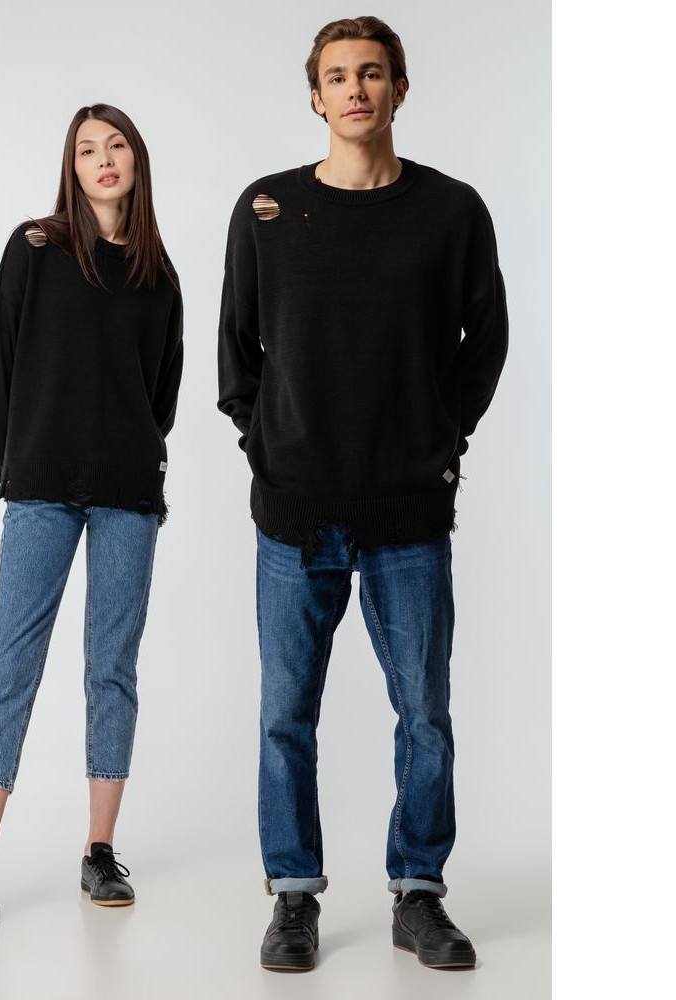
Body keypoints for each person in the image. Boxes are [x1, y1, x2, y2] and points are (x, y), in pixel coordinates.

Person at [217, 16, 508, 972]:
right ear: (315, 97)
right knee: (284, 716)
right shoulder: (265, 208)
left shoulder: (451, 211)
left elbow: (486, 341)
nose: (355, 89)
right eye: (337, 76)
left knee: (424, 713)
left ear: (399, 89)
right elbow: (236, 352)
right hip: (295, 510)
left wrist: (442, 442)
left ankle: (418, 892)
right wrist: (267, 446)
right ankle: (293, 895)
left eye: (372, 73)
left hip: (407, 509)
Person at [0, 104, 183, 942]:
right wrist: (21, 456)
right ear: (71, 168)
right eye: (86, 149)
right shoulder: (35, 248)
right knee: (12, 668)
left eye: (116, 146)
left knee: (113, 669)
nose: (103, 160)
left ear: (137, 160)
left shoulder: (159, 277)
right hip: (40, 491)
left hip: (128, 494)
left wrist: (128, 452)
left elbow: (162, 397)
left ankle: (100, 851)